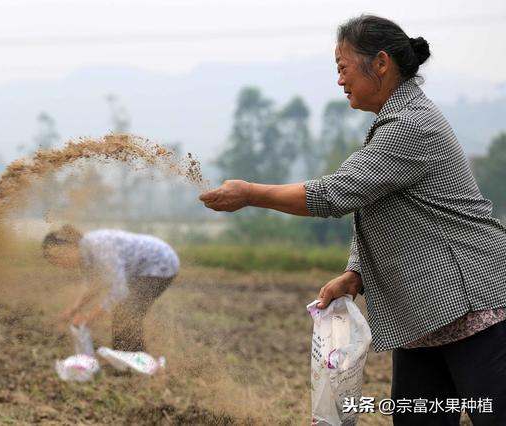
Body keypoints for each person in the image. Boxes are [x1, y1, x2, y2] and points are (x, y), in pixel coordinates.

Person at [199, 15, 506, 426]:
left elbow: (335, 193)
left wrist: (251, 193)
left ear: (381, 64)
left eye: (343, 68)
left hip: (473, 305)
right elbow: (381, 209)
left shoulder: (411, 125)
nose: (340, 81)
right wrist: (355, 273)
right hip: (424, 315)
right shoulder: (394, 122)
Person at [42, 224, 179, 352]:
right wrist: (75, 308)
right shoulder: (85, 255)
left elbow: (119, 290)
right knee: (125, 311)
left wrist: (90, 317)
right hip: (143, 270)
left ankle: (132, 361)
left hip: (160, 263)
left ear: (68, 247)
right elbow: (95, 285)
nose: (61, 265)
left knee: (126, 311)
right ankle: (128, 360)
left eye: (59, 259)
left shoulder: (98, 246)